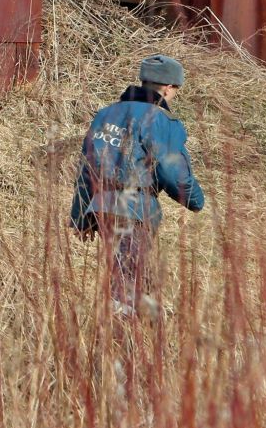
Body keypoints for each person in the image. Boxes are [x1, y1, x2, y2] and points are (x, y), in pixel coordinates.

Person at [70, 54, 206, 318]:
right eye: (176, 90)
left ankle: (154, 336)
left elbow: (87, 166)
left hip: (101, 206)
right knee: (126, 283)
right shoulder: (161, 120)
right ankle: (120, 342)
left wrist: (80, 215)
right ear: (169, 87)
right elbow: (170, 168)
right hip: (135, 208)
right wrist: (195, 200)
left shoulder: (105, 114)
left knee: (139, 278)